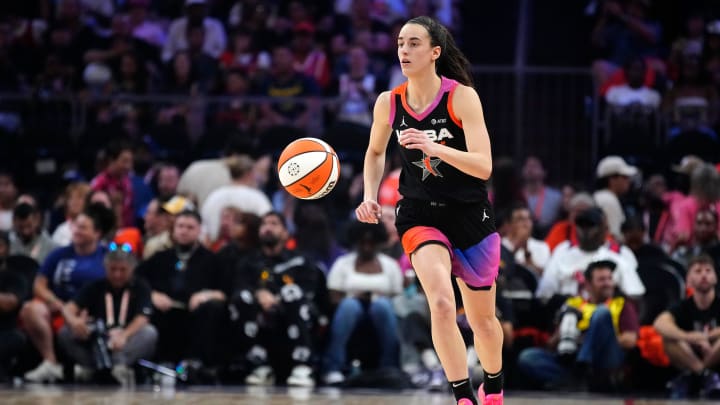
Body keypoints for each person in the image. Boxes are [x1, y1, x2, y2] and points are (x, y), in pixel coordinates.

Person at [355, 16, 504, 404]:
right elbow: (374, 152)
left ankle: (494, 384)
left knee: (483, 322)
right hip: (419, 214)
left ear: (435, 52)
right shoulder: (390, 101)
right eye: (401, 43)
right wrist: (370, 194)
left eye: (414, 43)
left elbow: (484, 166)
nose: (404, 50)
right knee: (440, 301)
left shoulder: (461, 97)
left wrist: (434, 148)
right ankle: (463, 396)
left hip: (470, 214)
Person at [518, 260, 639, 391]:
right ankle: (577, 381)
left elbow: (630, 341)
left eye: (610, 279)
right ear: (587, 285)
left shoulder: (621, 304)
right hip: (573, 358)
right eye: (601, 280)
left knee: (601, 313)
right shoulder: (573, 304)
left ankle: (581, 369)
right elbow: (551, 344)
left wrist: (594, 338)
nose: (608, 284)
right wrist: (564, 335)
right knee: (528, 357)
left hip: (605, 360)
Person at [58, 246, 157, 386]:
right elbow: (68, 308)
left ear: (131, 269)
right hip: (97, 339)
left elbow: (143, 317)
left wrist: (124, 335)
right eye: (113, 270)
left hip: (125, 341)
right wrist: (75, 321)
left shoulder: (141, 286)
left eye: (122, 270)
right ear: (106, 269)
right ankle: (90, 368)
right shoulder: (95, 286)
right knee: (65, 332)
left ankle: (118, 367)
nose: (117, 275)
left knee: (149, 332)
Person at [653, 254, 720, 399]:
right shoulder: (683, 306)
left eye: (708, 271)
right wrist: (689, 337)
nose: (704, 275)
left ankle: (698, 376)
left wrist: (709, 336)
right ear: (688, 280)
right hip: (690, 357)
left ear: (715, 277)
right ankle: (705, 375)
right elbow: (659, 323)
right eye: (698, 271)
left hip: (715, 354)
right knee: (669, 339)